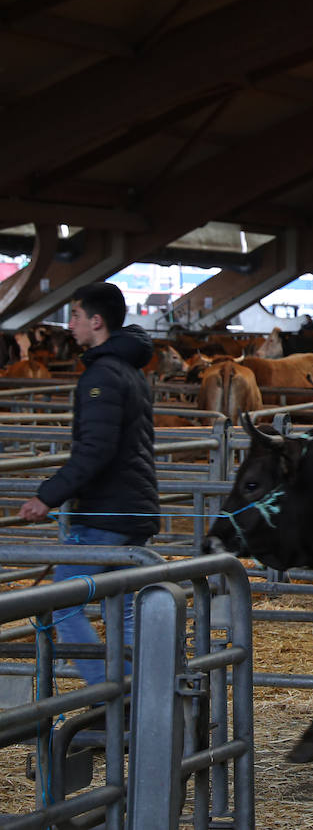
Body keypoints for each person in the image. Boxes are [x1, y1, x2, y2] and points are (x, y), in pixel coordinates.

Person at [19, 283, 159, 685]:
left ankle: (106, 693)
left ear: (96, 322)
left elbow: (96, 449)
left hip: (105, 513)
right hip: (132, 510)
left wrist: (47, 496)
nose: (71, 324)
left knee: (63, 604)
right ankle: (136, 698)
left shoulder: (102, 375)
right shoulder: (130, 370)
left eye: (76, 316)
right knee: (123, 608)